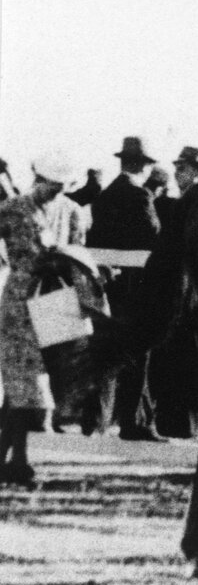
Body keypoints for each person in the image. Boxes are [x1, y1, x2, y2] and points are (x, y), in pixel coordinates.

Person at [0, 153, 86, 484]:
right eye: (51, 186)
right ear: (39, 180)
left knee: (42, 382)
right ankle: (18, 460)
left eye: (61, 187)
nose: (55, 192)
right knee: (26, 381)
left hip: (56, 295)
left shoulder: (73, 211)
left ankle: (13, 459)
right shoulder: (12, 209)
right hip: (21, 298)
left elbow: (78, 252)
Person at [87, 136, 162, 441]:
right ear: (143, 166)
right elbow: (153, 235)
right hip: (136, 286)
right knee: (138, 354)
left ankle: (95, 422)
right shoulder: (140, 195)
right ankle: (134, 423)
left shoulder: (105, 195)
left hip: (109, 283)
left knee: (105, 353)